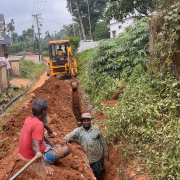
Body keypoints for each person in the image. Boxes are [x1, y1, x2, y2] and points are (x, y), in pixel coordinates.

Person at [18, 98, 71, 175]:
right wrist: (44, 165)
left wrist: (47, 127)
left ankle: (50, 148)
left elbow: (39, 125)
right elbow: (35, 146)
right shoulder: (38, 125)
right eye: (46, 110)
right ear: (43, 112)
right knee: (67, 149)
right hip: (33, 158)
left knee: (44, 139)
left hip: (24, 154)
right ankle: (48, 157)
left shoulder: (29, 118)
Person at [61, 113, 109, 180]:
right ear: (82, 122)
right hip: (87, 159)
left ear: (90, 121)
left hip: (97, 157)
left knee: (98, 174)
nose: (86, 122)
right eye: (84, 121)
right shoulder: (78, 130)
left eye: (88, 121)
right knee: (90, 175)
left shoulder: (96, 129)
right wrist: (66, 139)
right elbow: (71, 134)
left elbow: (102, 141)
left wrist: (106, 152)